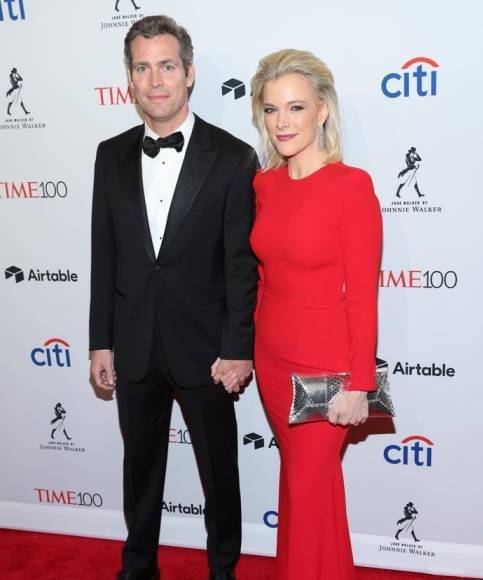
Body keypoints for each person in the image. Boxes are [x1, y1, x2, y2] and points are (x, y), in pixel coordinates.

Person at [89, 15, 258, 580]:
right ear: (130, 80)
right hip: (134, 342)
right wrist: (100, 341)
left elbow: (241, 267)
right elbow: (104, 254)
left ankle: (223, 569)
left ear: (189, 73)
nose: (155, 80)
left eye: (166, 66)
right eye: (142, 68)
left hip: (207, 349)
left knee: (219, 474)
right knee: (139, 470)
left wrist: (237, 347)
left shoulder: (233, 157)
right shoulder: (109, 154)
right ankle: (137, 567)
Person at [250, 49, 382, 580]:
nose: (282, 122)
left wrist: (360, 383)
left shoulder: (351, 186)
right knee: (308, 492)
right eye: (271, 109)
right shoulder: (265, 184)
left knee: (306, 493)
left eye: (296, 107)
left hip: (326, 372)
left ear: (322, 110)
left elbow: (364, 295)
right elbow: (264, 277)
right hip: (272, 362)